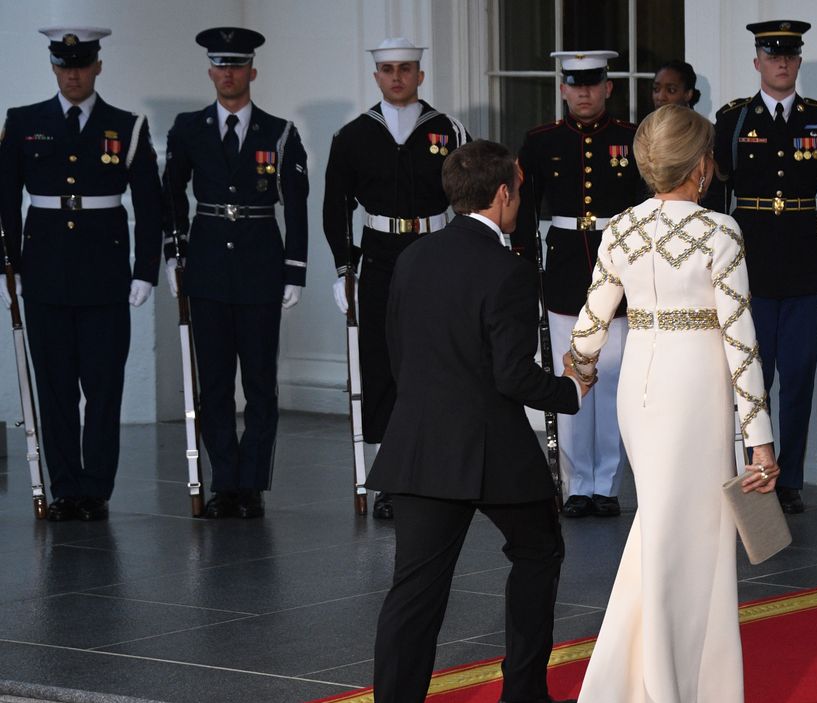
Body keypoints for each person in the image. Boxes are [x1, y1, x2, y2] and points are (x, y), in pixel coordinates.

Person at [368, 140, 590, 703]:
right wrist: (570, 389)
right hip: (490, 451)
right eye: (518, 192)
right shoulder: (509, 268)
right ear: (503, 195)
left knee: (412, 600)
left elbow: (395, 349)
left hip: (418, 448)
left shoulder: (412, 257)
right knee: (539, 548)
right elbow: (515, 376)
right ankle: (521, 697)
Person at [571, 104, 778, 703]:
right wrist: (760, 439)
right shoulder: (721, 231)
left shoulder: (621, 228)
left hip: (641, 384)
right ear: (703, 165)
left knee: (661, 537)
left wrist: (569, 379)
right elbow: (741, 341)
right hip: (696, 391)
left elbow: (591, 321)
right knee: (683, 551)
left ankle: (627, 700)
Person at [0, 27, 161, 522]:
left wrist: (145, 271)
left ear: (97, 66)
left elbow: (150, 204)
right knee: (54, 387)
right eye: (64, 64)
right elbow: (6, 199)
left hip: (105, 273)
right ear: (53, 67)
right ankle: (66, 486)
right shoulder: (23, 122)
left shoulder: (126, 125)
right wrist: (11, 263)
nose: (73, 73)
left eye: (82, 63)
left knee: (103, 384)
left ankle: (96, 488)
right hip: (45, 271)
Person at [322, 36, 471, 520]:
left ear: (420, 75)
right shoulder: (353, 135)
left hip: (433, 251)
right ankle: (389, 477)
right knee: (382, 364)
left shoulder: (447, 130)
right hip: (380, 256)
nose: (397, 77)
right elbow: (335, 206)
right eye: (387, 70)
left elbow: (469, 198)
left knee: (432, 361)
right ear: (376, 77)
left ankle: (433, 469)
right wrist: (344, 266)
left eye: (405, 69)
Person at [162, 28, 308, 519]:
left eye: (237, 65)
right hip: (206, 267)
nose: (228, 73)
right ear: (210, 72)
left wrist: (295, 271)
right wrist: (173, 253)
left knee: (262, 383)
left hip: (260, 268)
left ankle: (252, 484)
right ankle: (225, 480)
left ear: (252, 71)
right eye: (220, 65)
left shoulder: (280, 131)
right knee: (216, 383)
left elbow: (298, 207)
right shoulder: (188, 128)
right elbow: (171, 195)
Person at [713, 20, 817, 515]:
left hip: (804, 268)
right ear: (757, 63)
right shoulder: (732, 119)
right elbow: (714, 197)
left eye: (790, 55)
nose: (782, 63)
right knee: (753, 376)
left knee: (798, 377)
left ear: (798, 62)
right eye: (773, 56)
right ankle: (757, 470)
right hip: (747, 266)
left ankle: (788, 477)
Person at [512, 50, 644, 519]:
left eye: (593, 83)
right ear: (563, 88)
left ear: (608, 87)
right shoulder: (540, 141)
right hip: (565, 271)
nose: (584, 92)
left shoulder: (631, 138)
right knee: (570, 379)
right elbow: (524, 210)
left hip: (620, 271)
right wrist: (527, 269)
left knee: (609, 384)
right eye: (575, 83)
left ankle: (606, 484)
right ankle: (576, 486)